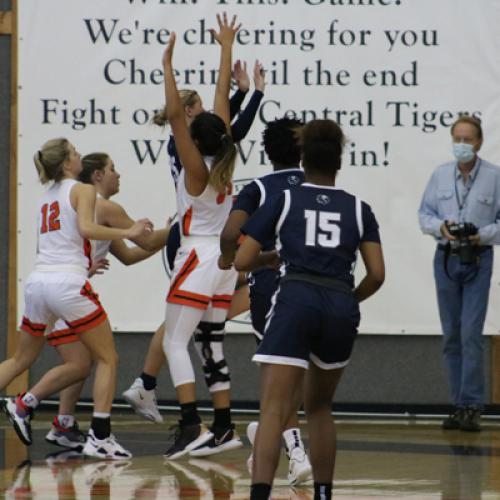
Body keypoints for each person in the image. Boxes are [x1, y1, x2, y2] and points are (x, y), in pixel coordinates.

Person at [233, 119, 385, 500]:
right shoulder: (359, 207)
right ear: (339, 163)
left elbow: (242, 259)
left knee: (274, 408)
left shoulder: (284, 199)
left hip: (296, 298)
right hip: (339, 306)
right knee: (319, 407)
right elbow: (377, 275)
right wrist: (349, 300)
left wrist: (269, 257)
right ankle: (322, 494)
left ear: (303, 161)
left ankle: (259, 495)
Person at [121, 58, 266, 420]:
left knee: (189, 326)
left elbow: (220, 116)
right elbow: (223, 118)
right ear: (188, 115)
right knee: (186, 328)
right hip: (199, 243)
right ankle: (156, 389)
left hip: (206, 243)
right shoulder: (193, 153)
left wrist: (244, 90)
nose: (212, 110)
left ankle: (155, 390)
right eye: (198, 106)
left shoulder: (207, 151)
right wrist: (248, 89)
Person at [0, 138, 152, 459]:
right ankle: (100, 436)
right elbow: (85, 228)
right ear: (68, 164)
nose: (80, 154)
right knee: (108, 358)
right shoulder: (82, 190)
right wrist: (130, 231)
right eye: (75, 152)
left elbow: (60, 240)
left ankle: (36, 410)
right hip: (66, 284)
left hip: (39, 282)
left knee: (22, 360)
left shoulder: (46, 197)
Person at [43, 152, 170, 450]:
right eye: (113, 169)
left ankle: (63, 422)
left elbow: (128, 256)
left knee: (83, 362)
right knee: (100, 360)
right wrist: (183, 228)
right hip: (66, 291)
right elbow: (148, 240)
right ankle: (26, 402)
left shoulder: (88, 209)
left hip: (58, 290)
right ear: (98, 175)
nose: (119, 174)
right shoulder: (105, 207)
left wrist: (166, 238)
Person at [160, 14, 243, 459]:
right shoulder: (226, 153)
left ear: (196, 138)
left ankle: (191, 422)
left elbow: (175, 113)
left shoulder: (195, 167)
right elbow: (220, 98)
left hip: (196, 257)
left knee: (176, 342)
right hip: (223, 263)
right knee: (210, 341)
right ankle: (225, 425)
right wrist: (225, 47)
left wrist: (168, 66)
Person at [219, 117, 312, 485]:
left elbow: (230, 232)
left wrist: (229, 258)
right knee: (295, 379)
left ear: (268, 151)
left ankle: (288, 449)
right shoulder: (316, 185)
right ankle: (285, 447)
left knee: (276, 378)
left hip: (270, 289)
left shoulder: (259, 188)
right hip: (311, 291)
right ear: (302, 150)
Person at [418, 116, 500, 432]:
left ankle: (472, 405)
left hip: (478, 258)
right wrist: (440, 227)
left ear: (479, 142)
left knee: (470, 333)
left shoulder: (493, 176)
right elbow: (423, 214)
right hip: (446, 259)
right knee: (451, 334)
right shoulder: (440, 175)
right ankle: (457, 405)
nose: (462, 145)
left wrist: (483, 233)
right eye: (458, 139)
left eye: (468, 139)